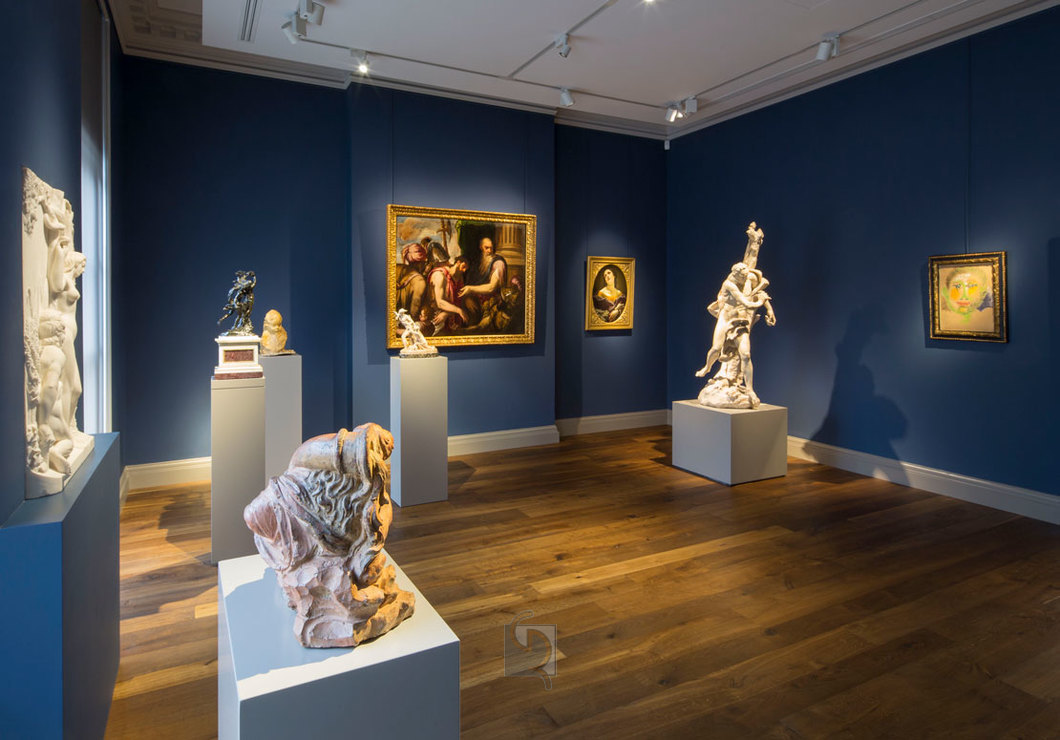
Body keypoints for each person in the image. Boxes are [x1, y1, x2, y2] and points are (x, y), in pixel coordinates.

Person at [694, 262, 775, 405]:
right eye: (743, 276)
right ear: (735, 275)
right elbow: (747, 302)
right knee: (716, 349)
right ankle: (707, 367)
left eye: (746, 275)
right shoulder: (729, 284)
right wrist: (760, 301)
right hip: (725, 319)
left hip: (740, 321)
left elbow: (758, 294)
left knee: (746, 355)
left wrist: (769, 310)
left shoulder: (747, 278)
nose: (746, 278)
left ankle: (750, 389)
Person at [459, 237, 506, 324]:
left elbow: (492, 288)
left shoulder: (498, 263)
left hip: (492, 301)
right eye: (486, 248)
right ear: (481, 247)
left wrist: (470, 289)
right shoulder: (478, 261)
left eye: (491, 248)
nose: (489, 251)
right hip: (478, 298)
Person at [426, 255, 469, 335]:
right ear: (458, 262)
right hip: (434, 317)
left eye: (466, 269)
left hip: (450, 319)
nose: (464, 271)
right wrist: (458, 310)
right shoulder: (439, 275)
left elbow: (457, 302)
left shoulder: (459, 279)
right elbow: (439, 302)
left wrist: (447, 313)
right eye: (463, 267)